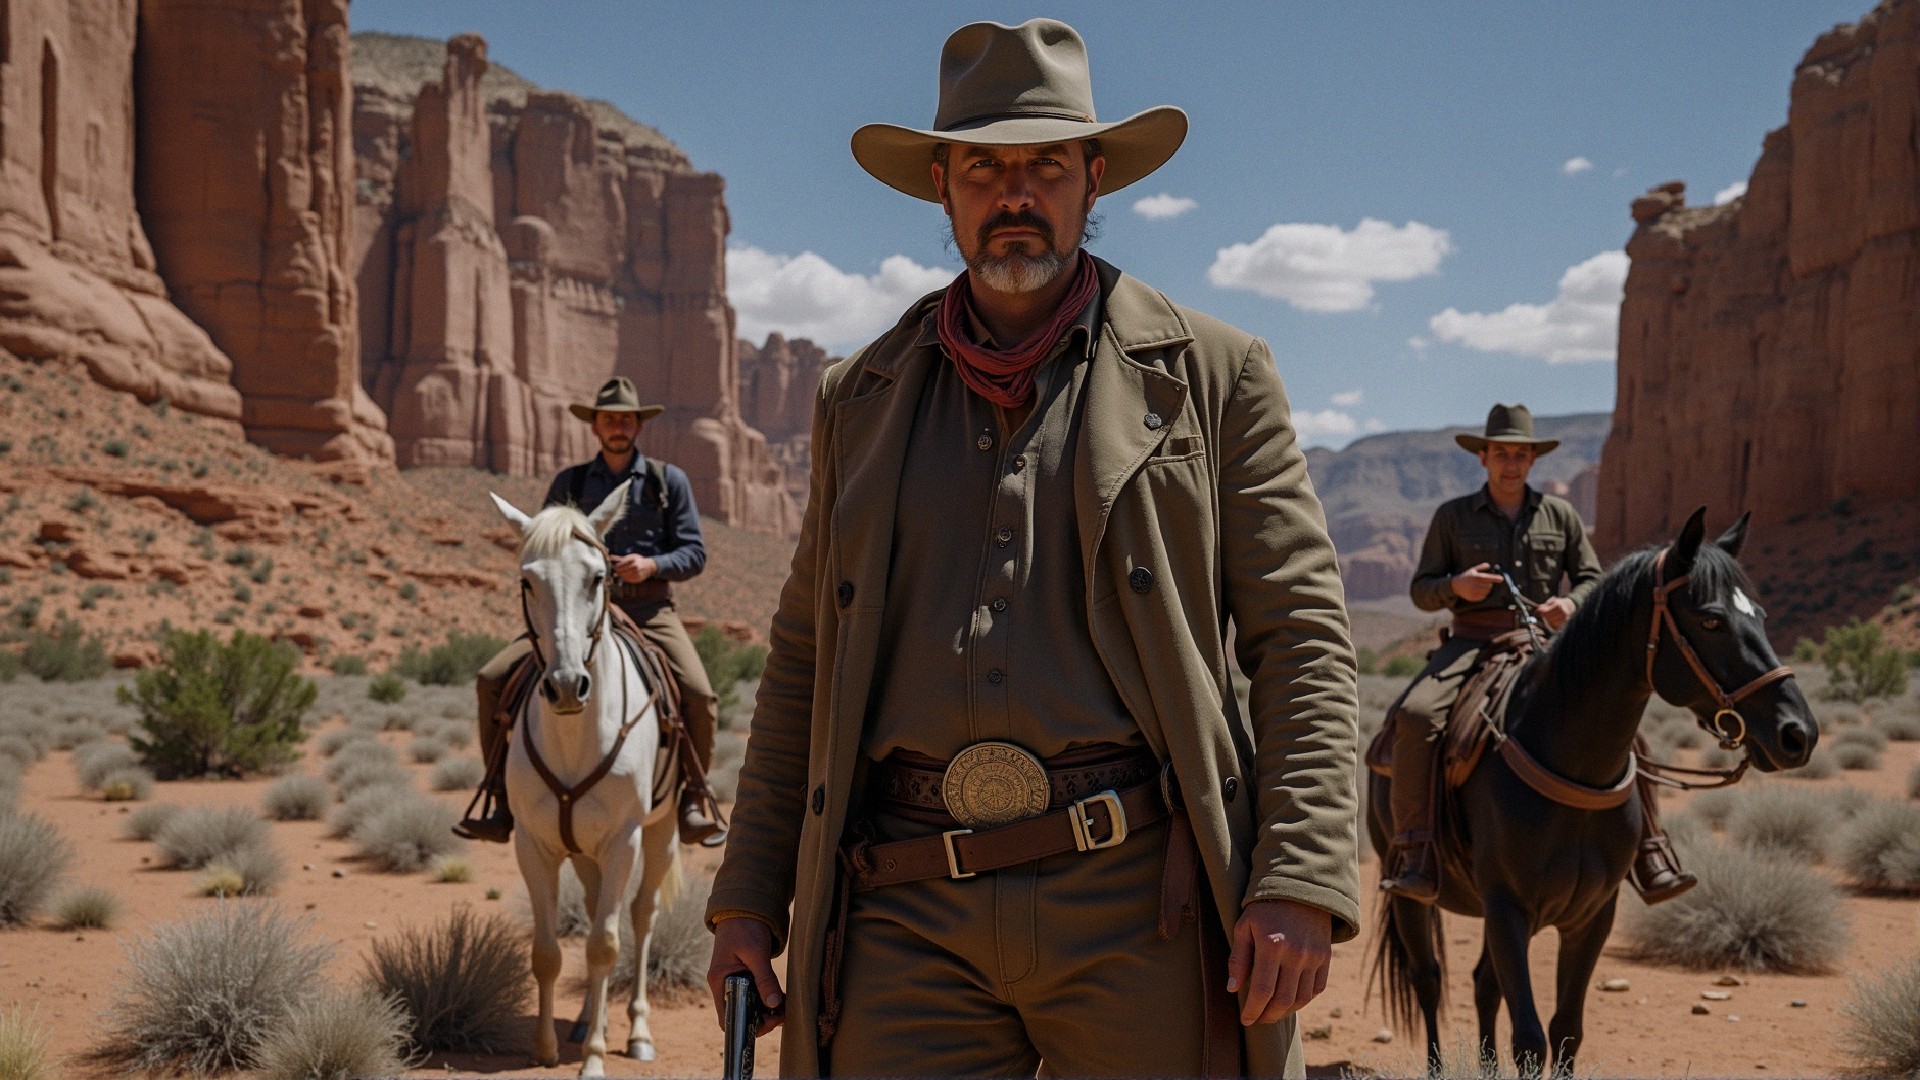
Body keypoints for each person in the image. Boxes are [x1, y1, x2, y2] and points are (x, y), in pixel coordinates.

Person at [704, 19, 1358, 1078]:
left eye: (1045, 165)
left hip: (1140, 895)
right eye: (984, 168)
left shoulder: (1213, 375)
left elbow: (1303, 640)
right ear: (943, 189)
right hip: (904, 906)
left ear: (1093, 179)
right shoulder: (858, 401)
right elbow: (803, 664)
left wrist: (1300, 876)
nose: (1015, 192)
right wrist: (747, 900)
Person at [1379, 403, 1694, 904]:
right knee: (1416, 718)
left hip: (1546, 646)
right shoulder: (1452, 517)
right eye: (1501, 453)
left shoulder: (1560, 515)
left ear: (1533, 460)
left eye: (1521, 454)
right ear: (1483, 457)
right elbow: (1422, 590)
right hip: (1471, 642)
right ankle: (1416, 852)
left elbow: (1595, 580)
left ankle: (1651, 848)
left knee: (1623, 728)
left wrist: (1570, 602)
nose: (1511, 463)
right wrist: (1457, 586)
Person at [456, 376, 726, 848]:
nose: (617, 426)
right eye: (609, 418)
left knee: (698, 695)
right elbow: (542, 548)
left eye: (626, 418)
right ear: (595, 426)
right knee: (490, 679)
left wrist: (652, 564)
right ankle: (498, 795)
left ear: (638, 425)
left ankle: (693, 799)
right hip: (575, 615)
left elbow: (694, 553)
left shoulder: (668, 481)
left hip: (647, 610)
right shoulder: (570, 483)